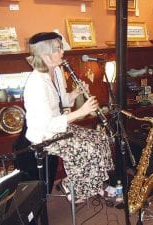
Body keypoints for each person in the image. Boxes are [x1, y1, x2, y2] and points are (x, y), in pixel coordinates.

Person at [23, 32, 114, 202]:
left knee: (100, 138)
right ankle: (73, 185)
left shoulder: (56, 71)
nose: (62, 51)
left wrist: (75, 93)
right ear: (45, 55)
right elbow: (47, 124)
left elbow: (62, 100)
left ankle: (96, 182)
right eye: (58, 49)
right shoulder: (36, 84)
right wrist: (81, 112)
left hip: (60, 127)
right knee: (88, 148)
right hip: (44, 136)